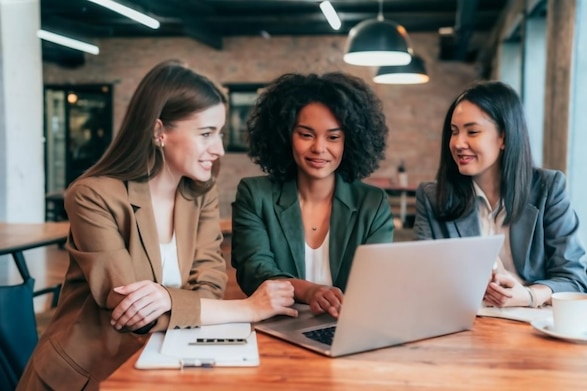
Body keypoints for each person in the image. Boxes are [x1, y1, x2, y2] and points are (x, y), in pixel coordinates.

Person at [17, 60, 296, 391]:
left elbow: (209, 283)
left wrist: (167, 299)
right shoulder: (92, 195)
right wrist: (248, 308)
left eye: (219, 133)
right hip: (88, 375)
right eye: (206, 133)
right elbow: (132, 312)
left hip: (164, 362)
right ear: (158, 131)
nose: (219, 149)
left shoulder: (199, 189)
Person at [231, 72, 395, 318]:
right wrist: (309, 292)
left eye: (333, 137)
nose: (319, 148)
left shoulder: (372, 204)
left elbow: (377, 282)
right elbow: (255, 271)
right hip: (278, 329)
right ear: (286, 136)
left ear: (349, 142)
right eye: (306, 134)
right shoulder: (255, 195)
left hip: (347, 328)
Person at [413, 81, 587, 308]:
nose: (458, 143)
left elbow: (574, 280)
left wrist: (529, 295)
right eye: (454, 132)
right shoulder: (432, 197)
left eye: (472, 132)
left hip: (533, 326)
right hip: (464, 323)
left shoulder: (548, 189)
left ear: (504, 138)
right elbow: (422, 280)